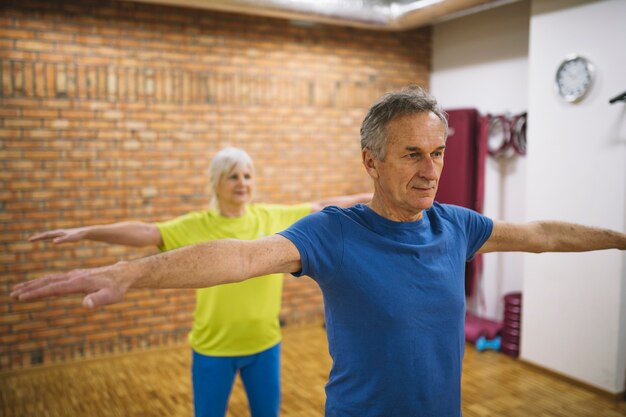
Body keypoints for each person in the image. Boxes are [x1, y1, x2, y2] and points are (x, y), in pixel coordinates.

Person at [12, 87, 626, 417]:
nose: (431, 169)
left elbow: (542, 235)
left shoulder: (457, 225)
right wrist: (130, 272)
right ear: (372, 160)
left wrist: (621, 236)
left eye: (437, 153)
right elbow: (242, 257)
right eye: (413, 153)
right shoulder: (333, 232)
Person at [25, 146, 371, 417]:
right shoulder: (195, 224)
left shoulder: (272, 215)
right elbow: (145, 232)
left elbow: (327, 205)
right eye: (233, 176)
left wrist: (379, 193)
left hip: (264, 346)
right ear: (217, 182)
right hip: (212, 351)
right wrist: (85, 232)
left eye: (248, 176)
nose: (242, 183)